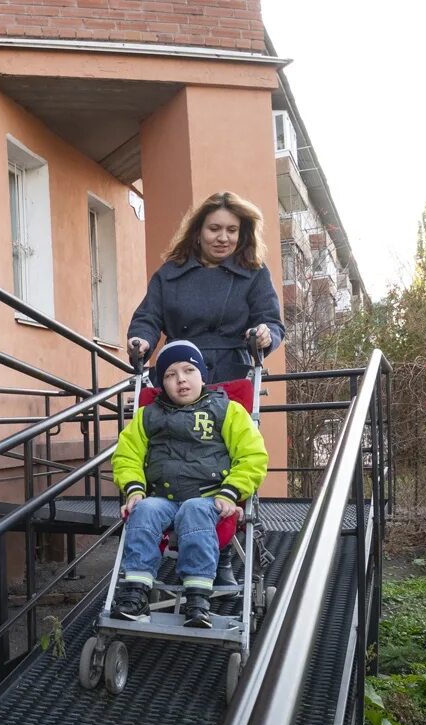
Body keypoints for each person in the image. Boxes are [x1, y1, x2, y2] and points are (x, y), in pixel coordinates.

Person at [110, 339, 268, 627]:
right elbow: (127, 455)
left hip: (209, 498)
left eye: (188, 370)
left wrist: (232, 492)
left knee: (194, 510)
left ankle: (198, 596)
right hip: (162, 498)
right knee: (143, 511)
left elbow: (252, 456)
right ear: (161, 384)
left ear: (202, 376)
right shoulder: (148, 415)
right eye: (170, 375)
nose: (180, 379)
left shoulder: (227, 410)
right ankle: (135, 592)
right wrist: (134, 488)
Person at [125, 191, 284, 385]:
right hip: (179, 374)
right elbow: (148, 317)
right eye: (214, 229)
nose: (223, 238)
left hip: (231, 375)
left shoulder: (254, 273)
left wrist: (264, 335)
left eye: (232, 230)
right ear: (198, 232)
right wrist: (141, 340)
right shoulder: (170, 273)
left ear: (241, 235)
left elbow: (271, 322)